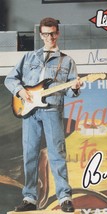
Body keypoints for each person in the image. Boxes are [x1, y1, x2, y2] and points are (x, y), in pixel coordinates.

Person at [4, 17, 82, 212]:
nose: (50, 37)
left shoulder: (67, 61)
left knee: (57, 154)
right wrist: (21, 92)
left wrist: (76, 87)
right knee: (29, 155)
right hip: (30, 112)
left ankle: (64, 197)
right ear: (41, 35)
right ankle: (29, 199)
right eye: (46, 34)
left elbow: (70, 91)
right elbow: (10, 79)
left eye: (53, 33)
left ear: (58, 33)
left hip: (52, 111)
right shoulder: (29, 57)